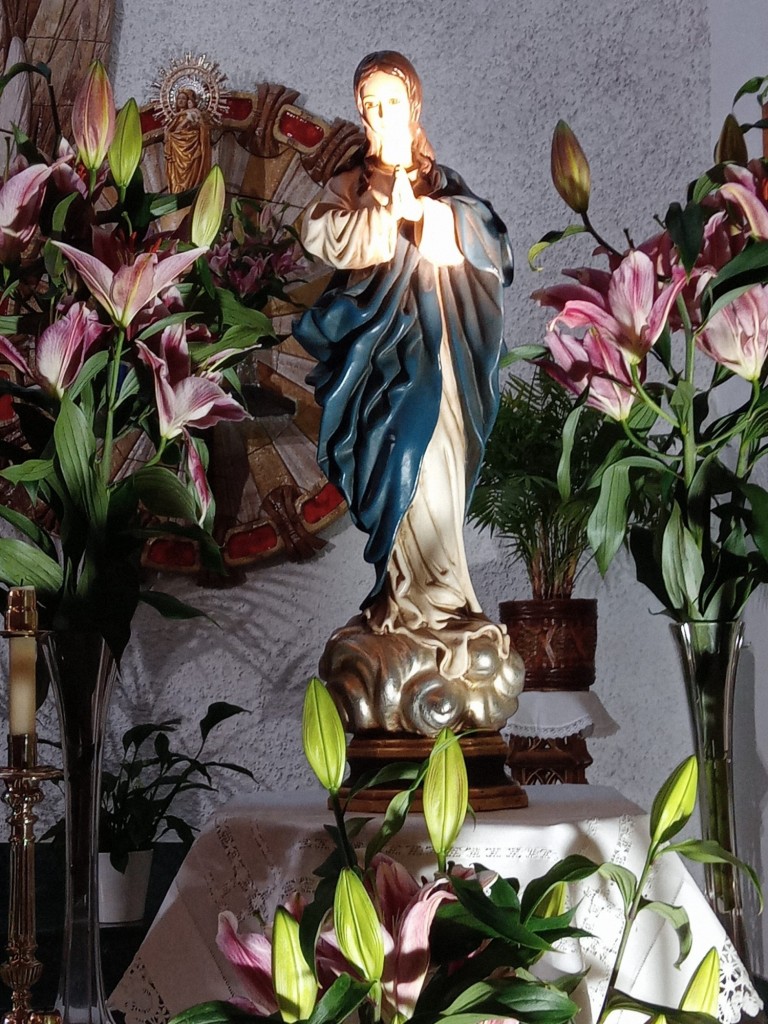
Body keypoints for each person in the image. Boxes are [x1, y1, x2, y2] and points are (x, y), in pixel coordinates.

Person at [295, 51, 521, 732]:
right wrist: (382, 215)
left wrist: (421, 214)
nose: (377, 116)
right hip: (382, 370)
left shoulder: (445, 187)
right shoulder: (351, 187)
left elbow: (487, 249)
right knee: (397, 467)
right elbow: (321, 233)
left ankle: (447, 604)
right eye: (367, 105)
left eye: (389, 103)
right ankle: (403, 602)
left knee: (438, 480)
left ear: (413, 108)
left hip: (439, 365)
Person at [163, 87, 211, 193]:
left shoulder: (194, 113)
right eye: (178, 98)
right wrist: (169, 135)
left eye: (183, 98)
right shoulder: (175, 118)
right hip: (177, 153)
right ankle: (177, 192)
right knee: (176, 180)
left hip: (191, 149)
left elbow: (202, 128)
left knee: (192, 177)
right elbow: (170, 133)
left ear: (189, 101)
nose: (180, 100)